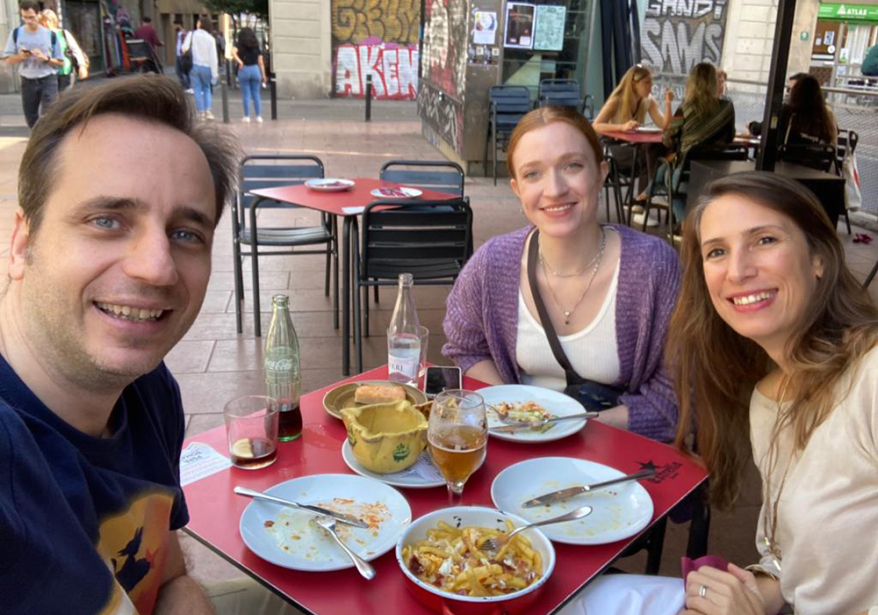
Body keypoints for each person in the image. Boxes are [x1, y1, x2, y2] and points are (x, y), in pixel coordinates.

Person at [0, 74, 301, 615]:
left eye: (186, 233)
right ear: (22, 242)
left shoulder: (148, 390)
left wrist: (186, 597)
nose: (157, 268)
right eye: (107, 220)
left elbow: (169, 574)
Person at [667, 172, 878, 615]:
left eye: (764, 240)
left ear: (818, 256)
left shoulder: (870, 378)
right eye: (717, 251)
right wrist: (732, 599)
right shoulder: (767, 399)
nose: (739, 270)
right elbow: (789, 563)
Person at [442, 106, 681, 443]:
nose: (554, 189)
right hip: (518, 452)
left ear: (601, 172)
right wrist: (515, 413)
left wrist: (567, 429)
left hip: (618, 461)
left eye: (572, 166)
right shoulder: (491, 264)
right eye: (532, 174)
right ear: (516, 188)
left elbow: (679, 397)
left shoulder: (655, 268)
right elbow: (466, 348)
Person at [658, 62, 735, 224]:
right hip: (717, 176)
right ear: (714, 83)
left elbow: (668, 140)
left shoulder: (685, 108)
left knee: (669, 182)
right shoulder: (727, 108)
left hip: (687, 176)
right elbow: (730, 138)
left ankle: (686, 228)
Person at [592, 65, 674, 208]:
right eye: (646, 83)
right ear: (633, 84)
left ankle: (642, 201)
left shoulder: (647, 100)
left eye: (651, 83)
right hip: (613, 150)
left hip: (633, 147)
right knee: (647, 155)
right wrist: (622, 127)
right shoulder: (617, 100)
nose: (650, 87)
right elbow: (596, 125)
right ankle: (647, 197)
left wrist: (668, 104)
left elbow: (664, 125)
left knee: (658, 150)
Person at [2, 0, 64, 128]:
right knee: (31, 117)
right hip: (27, 80)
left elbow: (60, 62)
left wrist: (45, 58)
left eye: (31, 17)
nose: (28, 20)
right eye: (24, 17)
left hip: (48, 79)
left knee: (50, 116)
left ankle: (46, 144)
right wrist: (21, 57)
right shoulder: (16, 33)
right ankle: (37, 139)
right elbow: (7, 59)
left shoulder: (50, 35)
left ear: (39, 14)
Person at [749, 74, 837, 157]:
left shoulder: (787, 112)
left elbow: (763, 128)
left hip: (786, 167)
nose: (788, 92)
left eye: (790, 89)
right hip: (815, 169)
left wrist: (751, 126)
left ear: (796, 93)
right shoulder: (824, 116)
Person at [38, 9, 87, 91]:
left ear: (53, 21)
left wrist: (82, 66)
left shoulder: (63, 33)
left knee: (65, 96)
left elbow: (75, 50)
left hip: (65, 70)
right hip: (48, 72)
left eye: (49, 21)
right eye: (44, 22)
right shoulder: (40, 36)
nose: (46, 24)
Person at [182, 16, 219, 120]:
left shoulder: (192, 34)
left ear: (200, 24)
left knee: (197, 89)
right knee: (207, 88)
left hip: (194, 65)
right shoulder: (210, 39)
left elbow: (184, 48)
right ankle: (208, 110)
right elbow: (213, 57)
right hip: (207, 67)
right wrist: (215, 73)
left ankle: (201, 113)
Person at [232, 27, 266, 123]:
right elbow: (261, 62)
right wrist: (263, 75)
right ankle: (258, 116)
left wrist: (240, 62)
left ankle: (247, 116)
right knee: (256, 94)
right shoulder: (256, 46)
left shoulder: (239, 45)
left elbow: (232, 52)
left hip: (244, 70)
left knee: (246, 94)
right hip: (255, 69)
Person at [174, 21, 191, 90]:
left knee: (183, 71)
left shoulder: (183, 33)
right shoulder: (178, 34)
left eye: (175, 25)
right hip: (178, 55)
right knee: (178, 71)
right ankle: (184, 84)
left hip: (182, 55)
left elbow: (185, 44)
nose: (174, 27)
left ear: (179, 25)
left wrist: (183, 53)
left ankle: (186, 85)